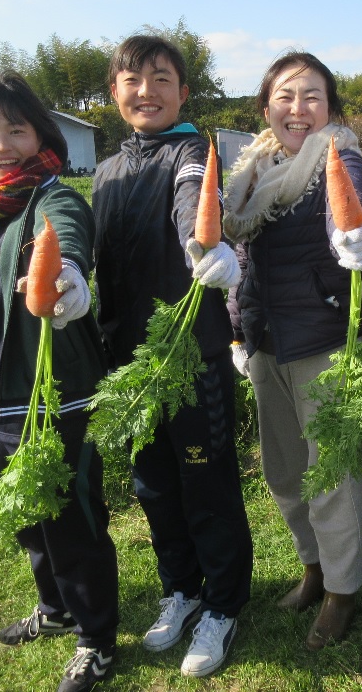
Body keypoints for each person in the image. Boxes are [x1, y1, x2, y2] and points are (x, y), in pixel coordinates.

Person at [0, 72, 118, 692]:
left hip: (55, 394)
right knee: (26, 518)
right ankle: (57, 608)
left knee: (72, 520)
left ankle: (96, 640)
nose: (2, 144)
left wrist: (68, 280)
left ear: (39, 133)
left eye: (16, 129)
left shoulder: (52, 198)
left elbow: (68, 247)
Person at [92, 35, 253, 678]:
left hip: (192, 357)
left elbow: (196, 203)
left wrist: (201, 245)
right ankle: (180, 588)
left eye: (162, 80)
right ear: (114, 95)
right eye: (133, 80)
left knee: (206, 482)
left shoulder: (192, 151)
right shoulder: (105, 171)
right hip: (130, 361)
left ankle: (223, 602)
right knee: (153, 483)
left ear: (183, 92)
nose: (147, 92)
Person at [223, 51, 362, 650]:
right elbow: (239, 259)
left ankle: (343, 590)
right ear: (267, 109)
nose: (298, 108)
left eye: (312, 95)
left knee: (332, 471)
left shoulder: (342, 159)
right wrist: (240, 330)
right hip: (266, 342)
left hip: (325, 338)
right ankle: (312, 567)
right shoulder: (253, 173)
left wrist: (353, 237)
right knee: (284, 468)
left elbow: (351, 210)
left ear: (330, 108)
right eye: (285, 95)